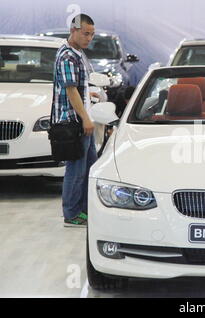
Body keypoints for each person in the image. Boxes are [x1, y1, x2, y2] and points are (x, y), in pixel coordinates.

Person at [52, 14, 98, 227]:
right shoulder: (68, 56)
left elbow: (78, 88)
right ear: (73, 30)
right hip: (74, 122)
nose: (89, 38)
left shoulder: (78, 53)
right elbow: (70, 91)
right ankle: (71, 214)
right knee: (76, 170)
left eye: (91, 34)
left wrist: (90, 96)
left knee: (90, 168)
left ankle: (86, 210)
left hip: (81, 119)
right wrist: (86, 118)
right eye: (85, 33)